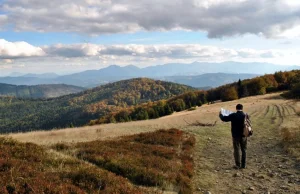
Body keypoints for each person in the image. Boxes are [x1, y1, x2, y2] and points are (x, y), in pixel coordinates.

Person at [219, 104, 249, 169]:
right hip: (244, 135)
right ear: (242, 108)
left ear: (236, 108)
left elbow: (224, 119)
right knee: (244, 150)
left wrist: (220, 114)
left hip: (235, 136)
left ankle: (238, 165)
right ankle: (243, 165)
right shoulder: (245, 115)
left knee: (236, 149)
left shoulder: (233, 115)